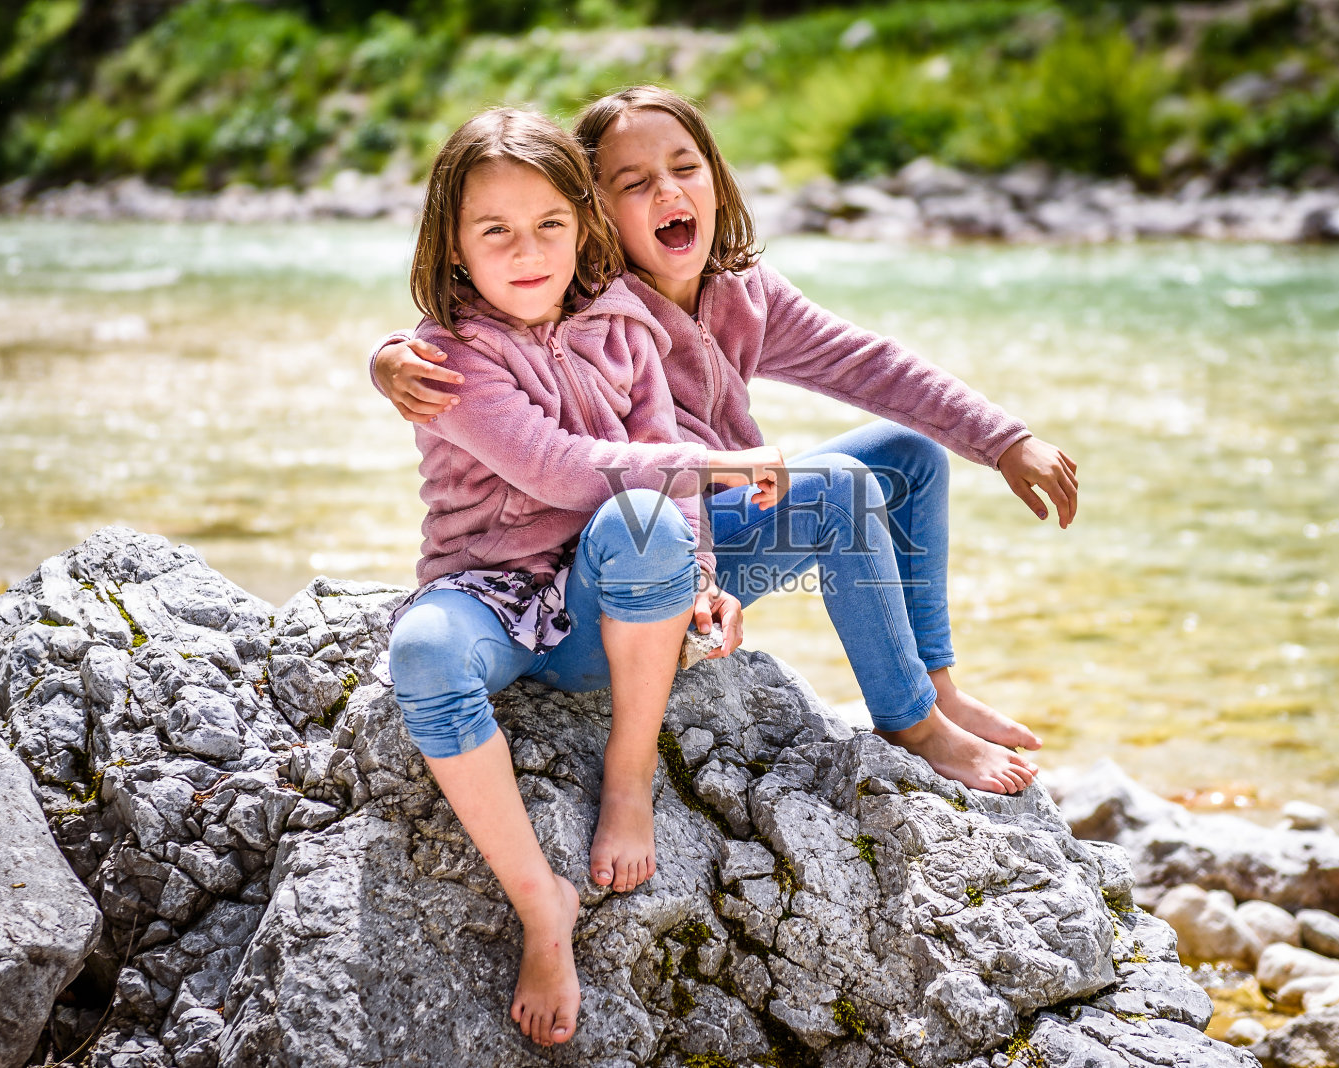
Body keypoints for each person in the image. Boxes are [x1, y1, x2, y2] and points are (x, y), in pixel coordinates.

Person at [373, 86, 1078, 799]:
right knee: (838, 488)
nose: (667, 191)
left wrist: (1004, 438)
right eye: (633, 183)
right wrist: (389, 356)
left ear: (716, 177)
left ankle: (934, 682)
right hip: (634, 555)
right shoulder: (591, 297)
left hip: (708, 529)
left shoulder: (745, 292)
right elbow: (486, 328)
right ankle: (912, 725)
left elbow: (870, 365)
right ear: (592, 212)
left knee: (909, 456)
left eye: (685, 168)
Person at [383, 105, 784, 1048]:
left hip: (601, 619)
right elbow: (556, 466)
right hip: (485, 595)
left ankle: (628, 782)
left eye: (550, 226)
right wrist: (715, 463)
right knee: (423, 653)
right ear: (452, 246)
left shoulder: (625, 332)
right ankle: (541, 904)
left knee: (646, 519)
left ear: (584, 227)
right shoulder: (443, 358)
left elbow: (662, 487)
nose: (528, 252)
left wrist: (700, 579)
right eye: (496, 233)